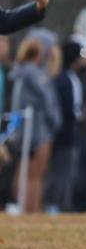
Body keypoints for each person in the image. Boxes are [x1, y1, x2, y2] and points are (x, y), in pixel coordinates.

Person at [8, 28, 61, 213]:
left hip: (27, 129)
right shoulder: (34, 73)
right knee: (34, 174)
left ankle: (27, 207)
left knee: (25, 171)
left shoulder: (23, 70)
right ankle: (30, 210)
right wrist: (55, 121)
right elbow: (48, 102)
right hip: (38, 130)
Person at [46, 35, 86, 212]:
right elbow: (67, 108)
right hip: (65, 132)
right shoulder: (65, 79)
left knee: (67, 172)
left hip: (71, 131)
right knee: (62, 171)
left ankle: (61, 205)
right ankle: (55, 206)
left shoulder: (74, 77)